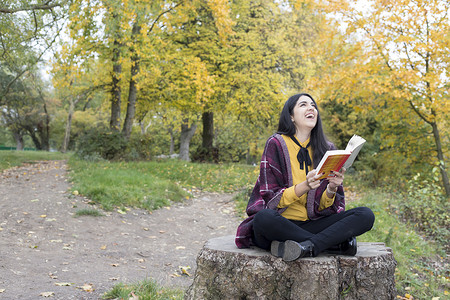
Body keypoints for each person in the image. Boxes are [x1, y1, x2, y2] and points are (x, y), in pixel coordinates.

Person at [235, 93, 375, 261]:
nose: (311, 108)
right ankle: (332, 244)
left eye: (313, 105)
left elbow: (326, 209)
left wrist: (331, 188)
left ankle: (307, 247)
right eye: (303, 105)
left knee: (365, 215)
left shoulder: (326, 148)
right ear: (291, 116)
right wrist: (305, 186)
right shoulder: (276, 143)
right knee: (263, 219)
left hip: (314, 223)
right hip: (280, 223)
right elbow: (271, 200)